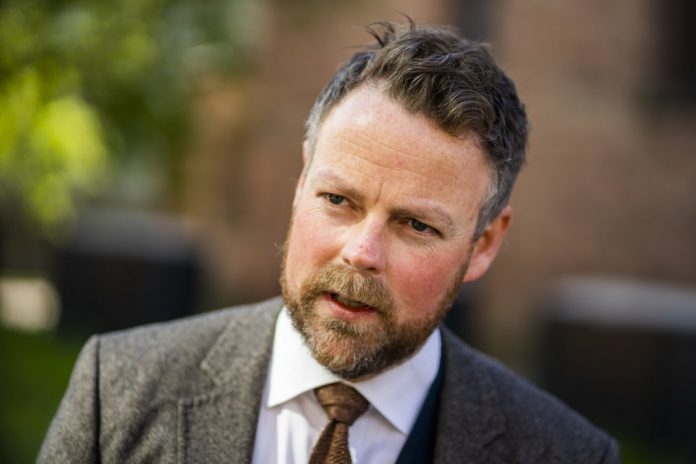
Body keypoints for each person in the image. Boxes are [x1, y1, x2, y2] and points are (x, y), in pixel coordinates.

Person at [39, 19, 620, 463]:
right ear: (301, 183)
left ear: (485, 243)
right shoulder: (118, 391)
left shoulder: (567, 455)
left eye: (416, 226)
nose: (361, 253)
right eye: (339, 200)